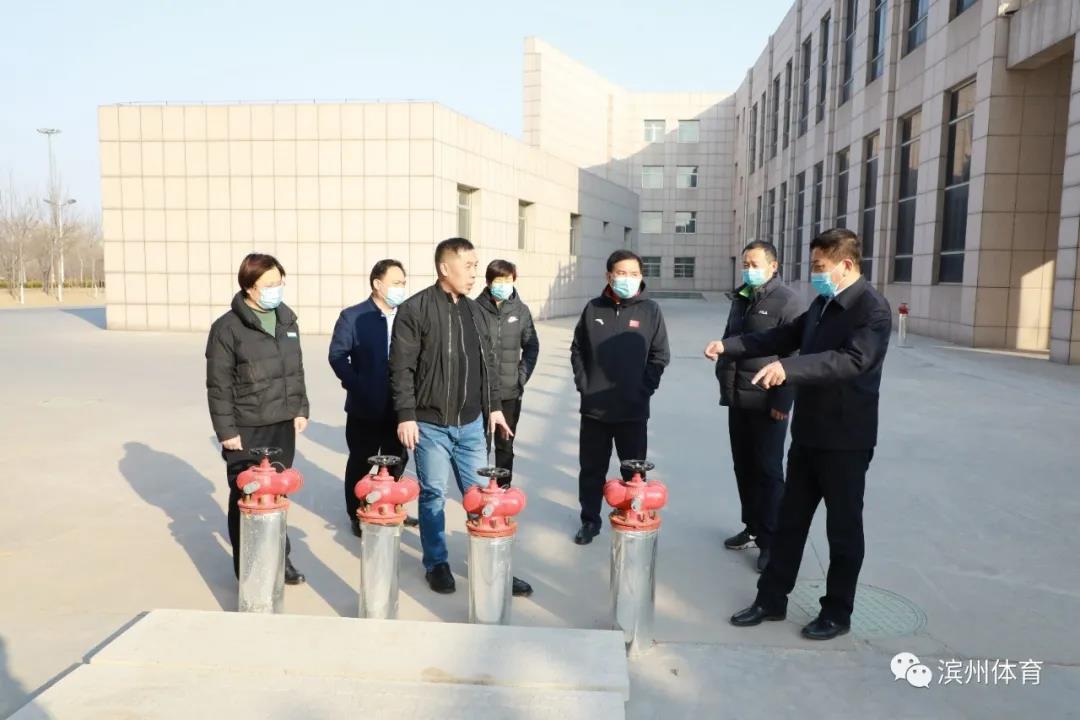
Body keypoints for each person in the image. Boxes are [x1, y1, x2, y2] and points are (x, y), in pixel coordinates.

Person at [704, 228, 891, 640]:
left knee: (842, 532)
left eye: (820, 267)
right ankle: (771, 600)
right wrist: (730, 346)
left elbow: (851, 360)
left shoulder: (872, 309)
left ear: (846, 264)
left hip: (846, 440)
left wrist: (789, 369)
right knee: (789, 523)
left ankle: (837, 612)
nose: (815, 275)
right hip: (808, 434)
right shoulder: (822, 304)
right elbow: (782, 336)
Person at [389, 237, 532, 597]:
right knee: (434, 494)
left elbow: (489, 365)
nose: (474, 274)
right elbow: (401, 368)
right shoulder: (415, 310)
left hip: (471, 425)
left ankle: (491, 563)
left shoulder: (476, 312)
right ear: (444, 268)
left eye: (475, 266)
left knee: (482, 496)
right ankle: (436, 563)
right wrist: (406, 415)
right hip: (430, 425)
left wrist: (494, 407)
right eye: (468, 266)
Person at [206, 253, 310, 585]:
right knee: (246, 496)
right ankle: (249, 568)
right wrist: (226, 431)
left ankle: (280, 558)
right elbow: (218, 386)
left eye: (280, 282)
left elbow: (295, 370)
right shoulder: (227, 328)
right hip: (246, 428)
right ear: (250, 287)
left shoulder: (286, 320)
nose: (276, 289)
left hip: (281, 424)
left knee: (277, 493)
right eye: (269, 284)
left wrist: (300, 408)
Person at [570, 249, 670, 545]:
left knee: (633, 471)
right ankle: (590, 520)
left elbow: (660, 355)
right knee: (592, 470)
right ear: (609, 276)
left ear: (641, 276)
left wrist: (644, 389)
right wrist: (584, 385)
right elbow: (578, 349)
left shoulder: (650, 311)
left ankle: (632, 518)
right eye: (622, 273)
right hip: (594, 410)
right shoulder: (593, 308)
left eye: (634, 274)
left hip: (633, 410)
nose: (628, 279)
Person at [717, 241, 804, 573]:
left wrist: (783, 399)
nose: (748, 269)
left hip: (769, 402)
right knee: (744, 467)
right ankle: (752, 527)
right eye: (745, 264)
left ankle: (772, 541)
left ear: (773, 266)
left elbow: (794, 354)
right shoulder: (742, 297)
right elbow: (733, 338)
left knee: (768, 471)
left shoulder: (788, 301)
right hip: (738, 397)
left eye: (754, 264)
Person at [329, 259, 417, 537]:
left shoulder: (408, 315)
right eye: (396, 283)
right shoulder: (353, 316)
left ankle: (390, 505)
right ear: (378, 284)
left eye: (403, 283)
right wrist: (357, 384)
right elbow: (337, 356)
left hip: (399, 405)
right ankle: (357, 512)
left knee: (397, 459)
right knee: (361, 461)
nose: (401, 288)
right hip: (364, 406)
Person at [475, 259, 540, 486]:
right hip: (480, 393)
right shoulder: (474, 309)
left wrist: (521, 377)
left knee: (505, 444)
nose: (503, 284)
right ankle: (479, 488)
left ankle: (503, 487)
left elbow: (532, 346)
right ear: (488, 282)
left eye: (508, 280)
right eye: (498, 280)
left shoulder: (521, 311)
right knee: (479, 445)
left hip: (510, 392)